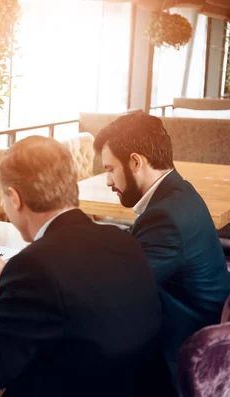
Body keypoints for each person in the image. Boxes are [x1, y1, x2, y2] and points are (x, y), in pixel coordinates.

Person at [0, 136, 174, 397]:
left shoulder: (34, 268)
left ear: (14, 197)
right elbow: (77, 295)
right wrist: (7, 277)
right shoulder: (122, 240)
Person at [93, 111, 230, 381]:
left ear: (135, 162)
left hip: (185, 354)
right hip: (202, 325)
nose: (108, 181)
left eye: (110, 169)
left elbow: (114, 292)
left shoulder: (165, 217)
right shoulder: (178, 191)